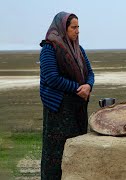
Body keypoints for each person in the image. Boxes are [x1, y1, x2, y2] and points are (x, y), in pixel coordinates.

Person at [39, 11, 94, 179]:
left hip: (77, 107)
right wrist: (79, 88)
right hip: (59, 109)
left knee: (77, 150)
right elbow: (52, 78)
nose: (77, 31)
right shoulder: (49, 49)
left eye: (78, 27)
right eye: (73, 27)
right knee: (56, 154)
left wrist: (88, 85)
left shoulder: (79, 49)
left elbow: (90, 72)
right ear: (63, 28)